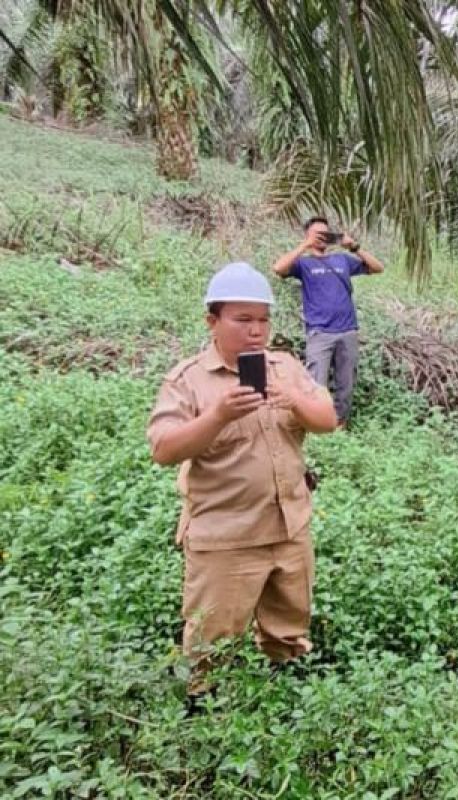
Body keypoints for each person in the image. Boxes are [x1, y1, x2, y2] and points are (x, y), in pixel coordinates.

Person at [147, 262, 338, 699]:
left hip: (290, 527)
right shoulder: (189, 380)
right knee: (212, 640)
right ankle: (205, 714)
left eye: (264, 320)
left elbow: (328, 418)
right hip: (226, 537)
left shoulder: (285, 367)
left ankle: (285, 697)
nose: (257, 331)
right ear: (212, 322)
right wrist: (218, 415)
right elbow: (163, 449)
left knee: (289, 628)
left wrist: (291, 398)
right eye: (243, 320)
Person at [271, 216, 385, 428]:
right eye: (317, 234)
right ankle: (314, 424)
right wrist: (305, 245)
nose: (322, 238)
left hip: (347, 331)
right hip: (319, 332)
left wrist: (354, 247)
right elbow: (278, 268)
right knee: (315, 383)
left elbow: (378, 268)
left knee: (346, 382)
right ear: (308, 235)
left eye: (325, 233)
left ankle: (339, 424)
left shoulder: (342, 260)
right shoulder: (303, 264)